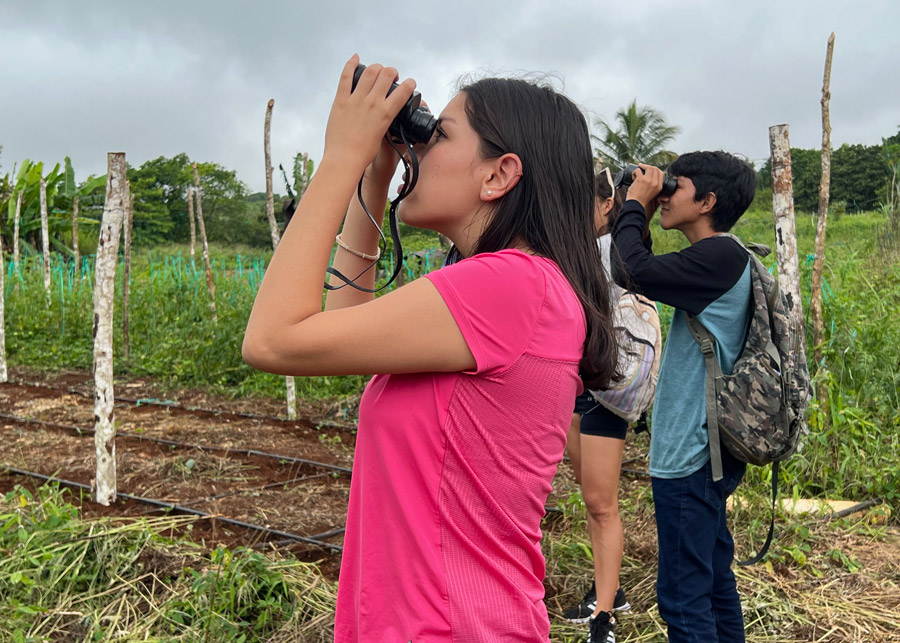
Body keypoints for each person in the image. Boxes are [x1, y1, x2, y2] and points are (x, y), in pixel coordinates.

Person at [242, 56, 618, 642]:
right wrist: (372, 175)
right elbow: (340, 331)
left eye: (435, 135)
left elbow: (273, 340)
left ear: (499, 175)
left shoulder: (510, 285)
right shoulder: (524, 288)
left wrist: (339, 158)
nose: (414, 151)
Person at [610, 152, 757, 642]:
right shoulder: (722, 258)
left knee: (683, 596)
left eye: (675, 185)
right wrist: (642, 208)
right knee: (713, 584)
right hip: (708, 450)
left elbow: (630, 270)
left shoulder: (719, 256)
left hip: (692, 454)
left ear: (708, 201)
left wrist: (635, 202)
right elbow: (637, 267)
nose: (666, 192)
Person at [563, 169, 630, 643]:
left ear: (607, 205)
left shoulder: (617, 252)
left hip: (604, 390)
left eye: (583, 201)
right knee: (590, 491)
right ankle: (610, 588)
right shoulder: (575, 250)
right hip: (573, 384)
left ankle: (603, 617)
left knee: (602, 501)